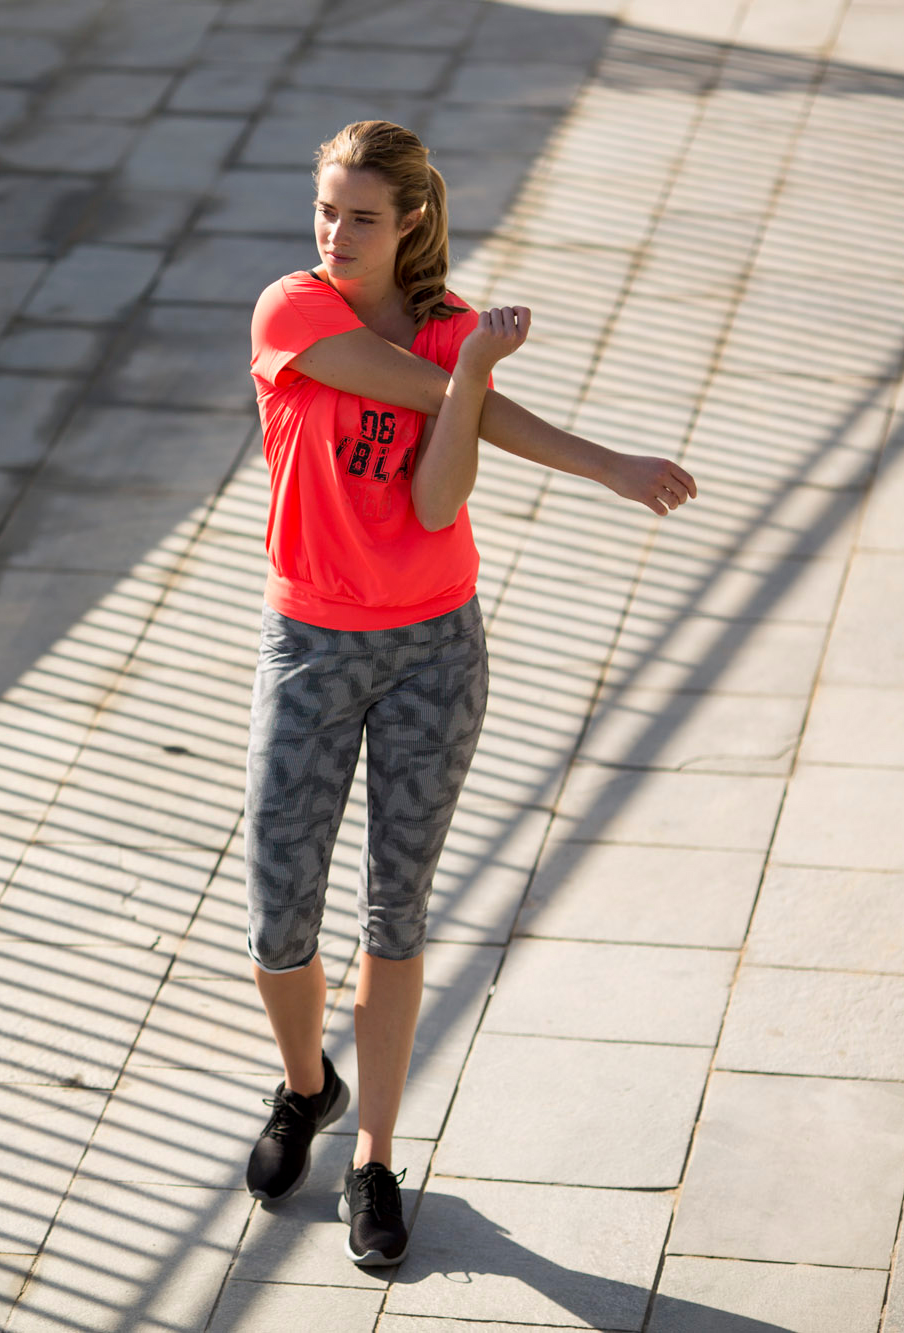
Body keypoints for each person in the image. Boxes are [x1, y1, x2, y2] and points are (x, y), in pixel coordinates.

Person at [240, 119, 697, 1267]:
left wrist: (474, 375)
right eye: (325, 210)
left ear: (408, 224)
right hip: (309, 643)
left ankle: (373, 1157)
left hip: (431, 650)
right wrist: (591, 453)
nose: (334, 234)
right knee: (277, 914)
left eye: (360, 217)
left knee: (394, 912)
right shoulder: (290, 312)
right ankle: (306, 1085)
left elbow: (437, 504)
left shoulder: (453, 334)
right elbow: (432, 390)